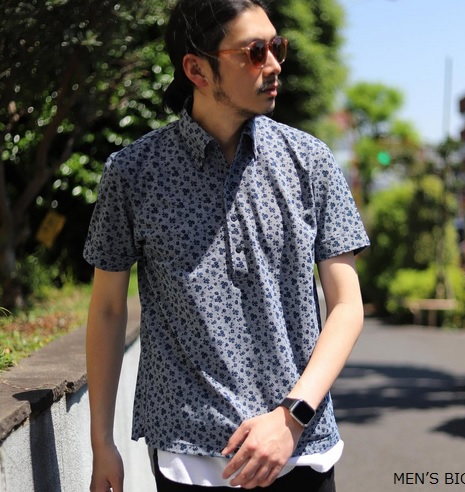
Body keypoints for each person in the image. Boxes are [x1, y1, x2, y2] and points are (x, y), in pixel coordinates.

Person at [83, 0, 370, 490]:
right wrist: (101, 443)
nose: (274, 64)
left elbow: (347, 306)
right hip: (188, 456)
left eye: (276, 47)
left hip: (299, 449)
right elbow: (108, 310)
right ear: (197, 69)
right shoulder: (132, 174)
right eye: (255, 52)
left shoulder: (311, 161)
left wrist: (292, 416)